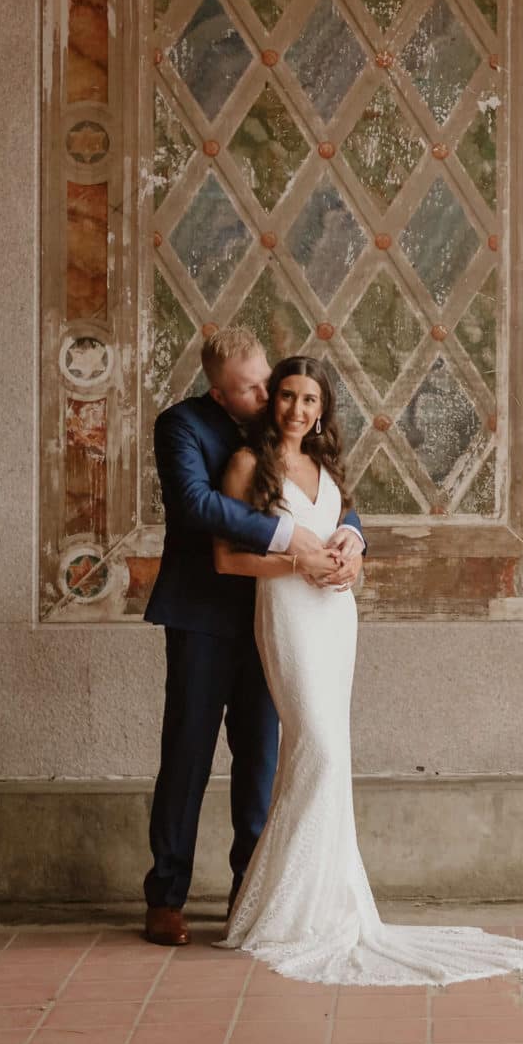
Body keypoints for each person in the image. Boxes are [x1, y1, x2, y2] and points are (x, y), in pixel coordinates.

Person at [210, 355, 523, 986]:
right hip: (285, 611)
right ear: (272, 401)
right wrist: (295, 567)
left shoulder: (326, 466)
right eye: (286, 396)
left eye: (310, 400)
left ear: (322, 411)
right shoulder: (247, 465)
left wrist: (353, 554)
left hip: (336, 617)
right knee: (318, 751)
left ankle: (325, 904)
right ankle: (282, 912)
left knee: (327, 754)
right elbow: (228, 561)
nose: (296, 410)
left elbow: (343, 529)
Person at [141, 329, 365, 949]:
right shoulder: (182, 426)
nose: (270, 394)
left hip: (283, 620)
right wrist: (289, 541)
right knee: (187, 754)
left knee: (262, 756)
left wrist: (353, 536)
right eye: (254, 387)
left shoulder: (281, 422)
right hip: (204, 613)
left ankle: (253, 889)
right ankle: (166, 895)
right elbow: (195, 505)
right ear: (218, 392)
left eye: (269, 379)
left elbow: (329, 493)